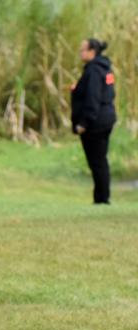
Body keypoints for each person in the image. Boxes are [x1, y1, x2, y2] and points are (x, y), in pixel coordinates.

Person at [71, 38, 116, 206]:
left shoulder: (94, 71)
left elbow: (93, 99)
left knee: (97, 161)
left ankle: (102, 199)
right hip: (106, 118)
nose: (80, 53)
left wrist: (84, 123)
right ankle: (102, 196)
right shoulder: (105, 68)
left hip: (96, 122)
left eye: (83, 50)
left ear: (92, 52)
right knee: (100, 160)